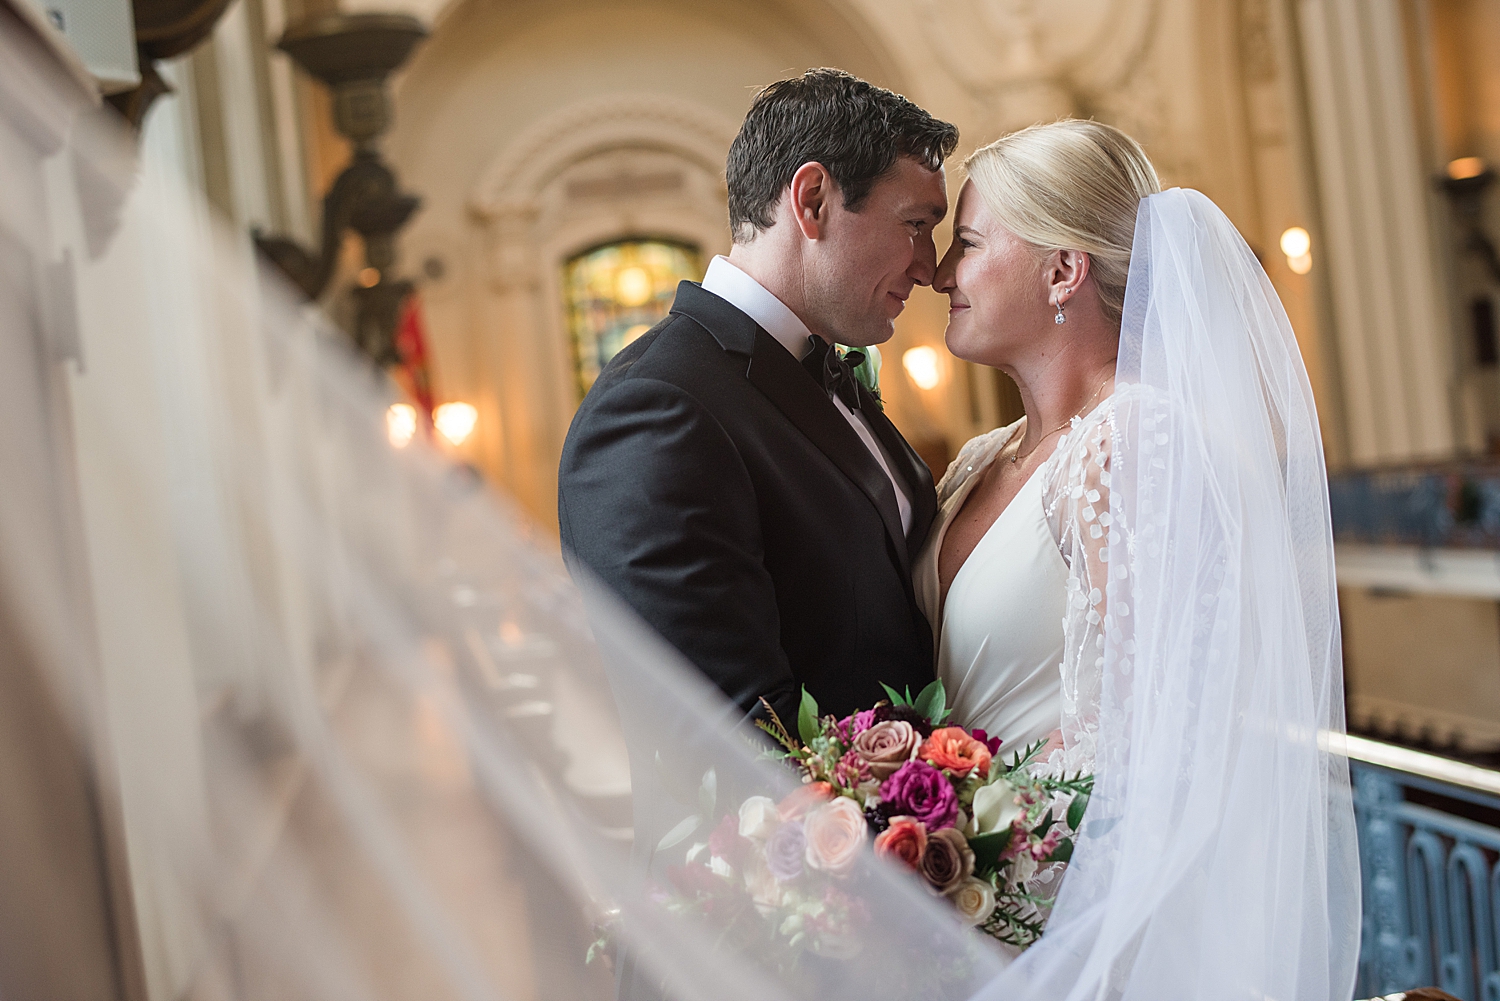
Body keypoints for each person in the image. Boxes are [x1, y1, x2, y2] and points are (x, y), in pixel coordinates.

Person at [924, 121, 1360, 999]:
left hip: (1073, 919)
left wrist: (969, 853)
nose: (941, 274)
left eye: (967, 244)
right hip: (967, 907)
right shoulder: (981, 457)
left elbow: (1149, 740)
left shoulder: (1140, 440)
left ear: (1063, 269)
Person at [558, 69, 956, 727]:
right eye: (916, 223)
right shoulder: (658, 410)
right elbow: (736, 740)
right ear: (813, 200)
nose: (928, 265)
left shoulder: (821, 365)